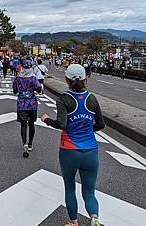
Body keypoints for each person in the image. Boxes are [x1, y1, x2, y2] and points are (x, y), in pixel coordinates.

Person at [40, 64, 105, 226]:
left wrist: (46, 119)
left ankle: (73, 222)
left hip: (69, 150)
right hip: (90, 150)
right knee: (89, 192)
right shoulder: (92, 98)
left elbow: (62, 124)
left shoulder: (64, 99)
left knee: (70, 188)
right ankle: (94, 218)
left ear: (66, 79)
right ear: (85, 79)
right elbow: (101, 125)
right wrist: (89, 130)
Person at [13, 59, 42, 157]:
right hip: (32, 104)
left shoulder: (18, 79)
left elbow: (14, 91)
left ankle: (24, 143)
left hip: (21, 104)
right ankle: (30, 144)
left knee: (23, 125)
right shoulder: (33, 79)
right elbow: (38, 89)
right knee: (31, 124)